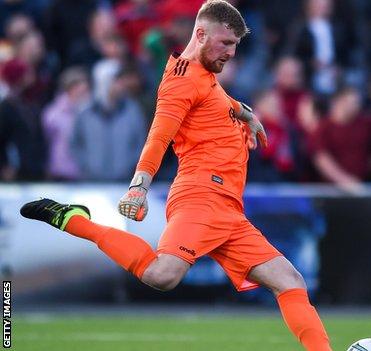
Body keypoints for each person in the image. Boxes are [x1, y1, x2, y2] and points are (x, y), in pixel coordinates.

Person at [20, 2, 332, 351]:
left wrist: (245, 113)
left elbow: (217, 98)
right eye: (225, 44)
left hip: (228, 209)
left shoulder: (204, 77)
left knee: (289, 279)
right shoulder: (180, 81)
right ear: (200, 35)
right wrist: (139, 187)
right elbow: (159, 136)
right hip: (200, 197)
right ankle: (75, 220)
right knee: (162, 276)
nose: (231, 53)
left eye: (235, 46)